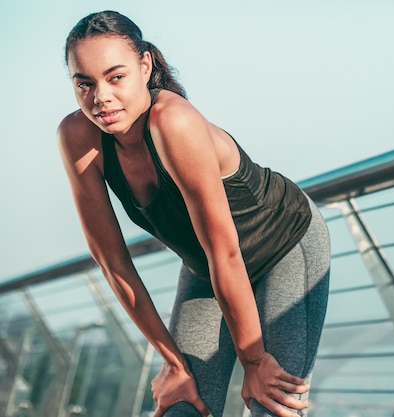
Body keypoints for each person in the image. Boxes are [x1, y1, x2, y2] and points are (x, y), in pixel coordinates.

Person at [57, 10, 330, 417]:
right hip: (209, 268)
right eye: (85, 83)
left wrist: (253, 362)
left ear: (145, 66)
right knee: (184, 404)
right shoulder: (78, 136)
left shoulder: (174, 122)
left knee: (273, 404)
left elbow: (227, 252)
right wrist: (172, 362)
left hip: (284, 246)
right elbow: (112, 262)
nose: (101, 97)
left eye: (116, 77)